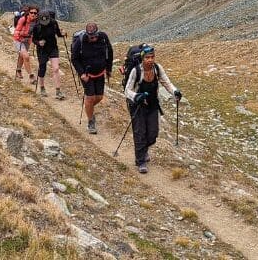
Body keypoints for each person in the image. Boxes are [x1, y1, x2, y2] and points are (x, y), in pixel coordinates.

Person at [125, 44, 182, 173]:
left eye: (152, 57)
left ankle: (143, 150)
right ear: (142, 58)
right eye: (147, 58)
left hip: (152, 105)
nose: (150, 60)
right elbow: (127, 90)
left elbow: (166, 82)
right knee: (140, 133)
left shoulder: (157, 68)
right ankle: (140, 161)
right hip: (137, 106)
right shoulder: (136, 71)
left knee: (153, 134)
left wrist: (175, 92)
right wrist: (136, 96)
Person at [71, 22, 113, 134]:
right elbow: (74, 59)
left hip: (100, 72)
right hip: (87, 74)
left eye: (95, 36)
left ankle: (88, 108)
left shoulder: (103, 37)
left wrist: (109, 69)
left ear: (97, 33)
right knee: (90, 98)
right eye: (91, 37)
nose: (93, 39)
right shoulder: (80, 41)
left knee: (99, 97)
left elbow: (110, 52)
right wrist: (81, 73)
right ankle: (91, 121)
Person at [32, 9, 67, 98]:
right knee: (42, 68)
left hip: (53, 48)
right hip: (42, 50)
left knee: (56, 68)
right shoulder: (36, 26)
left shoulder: (54, 23)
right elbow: (34, 39)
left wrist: (63, 34)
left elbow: (58, 34)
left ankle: (58, 91)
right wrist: (39, 43)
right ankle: (42, 88)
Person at [13, 4, 38, 84]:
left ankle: (18, 70)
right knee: (26, 56)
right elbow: (16, 31)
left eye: (35, 13)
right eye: (31, 12)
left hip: (27, 41)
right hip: (19, 40)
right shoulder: (23, 19)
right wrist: (22, 34)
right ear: (28, 13)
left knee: (22, 56)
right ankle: (31, 76)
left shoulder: (37, 21)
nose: (33, 14)